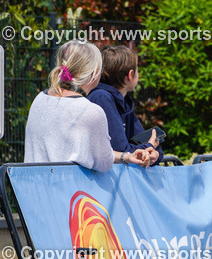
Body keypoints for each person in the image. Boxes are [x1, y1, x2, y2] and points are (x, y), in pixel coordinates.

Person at [24, 40, 149, 170]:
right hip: (69, 188)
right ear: (95, 72)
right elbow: (104, 163)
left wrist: (125, 156)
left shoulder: (40, 99)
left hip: (34, 185)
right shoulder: (90, 111)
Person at [88, 45, 162, 166]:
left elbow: (141, 141)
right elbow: (121, 150)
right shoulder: (102, 98)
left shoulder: (123, 101)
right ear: (130, 74)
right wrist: (149, 147)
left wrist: (155, 154)